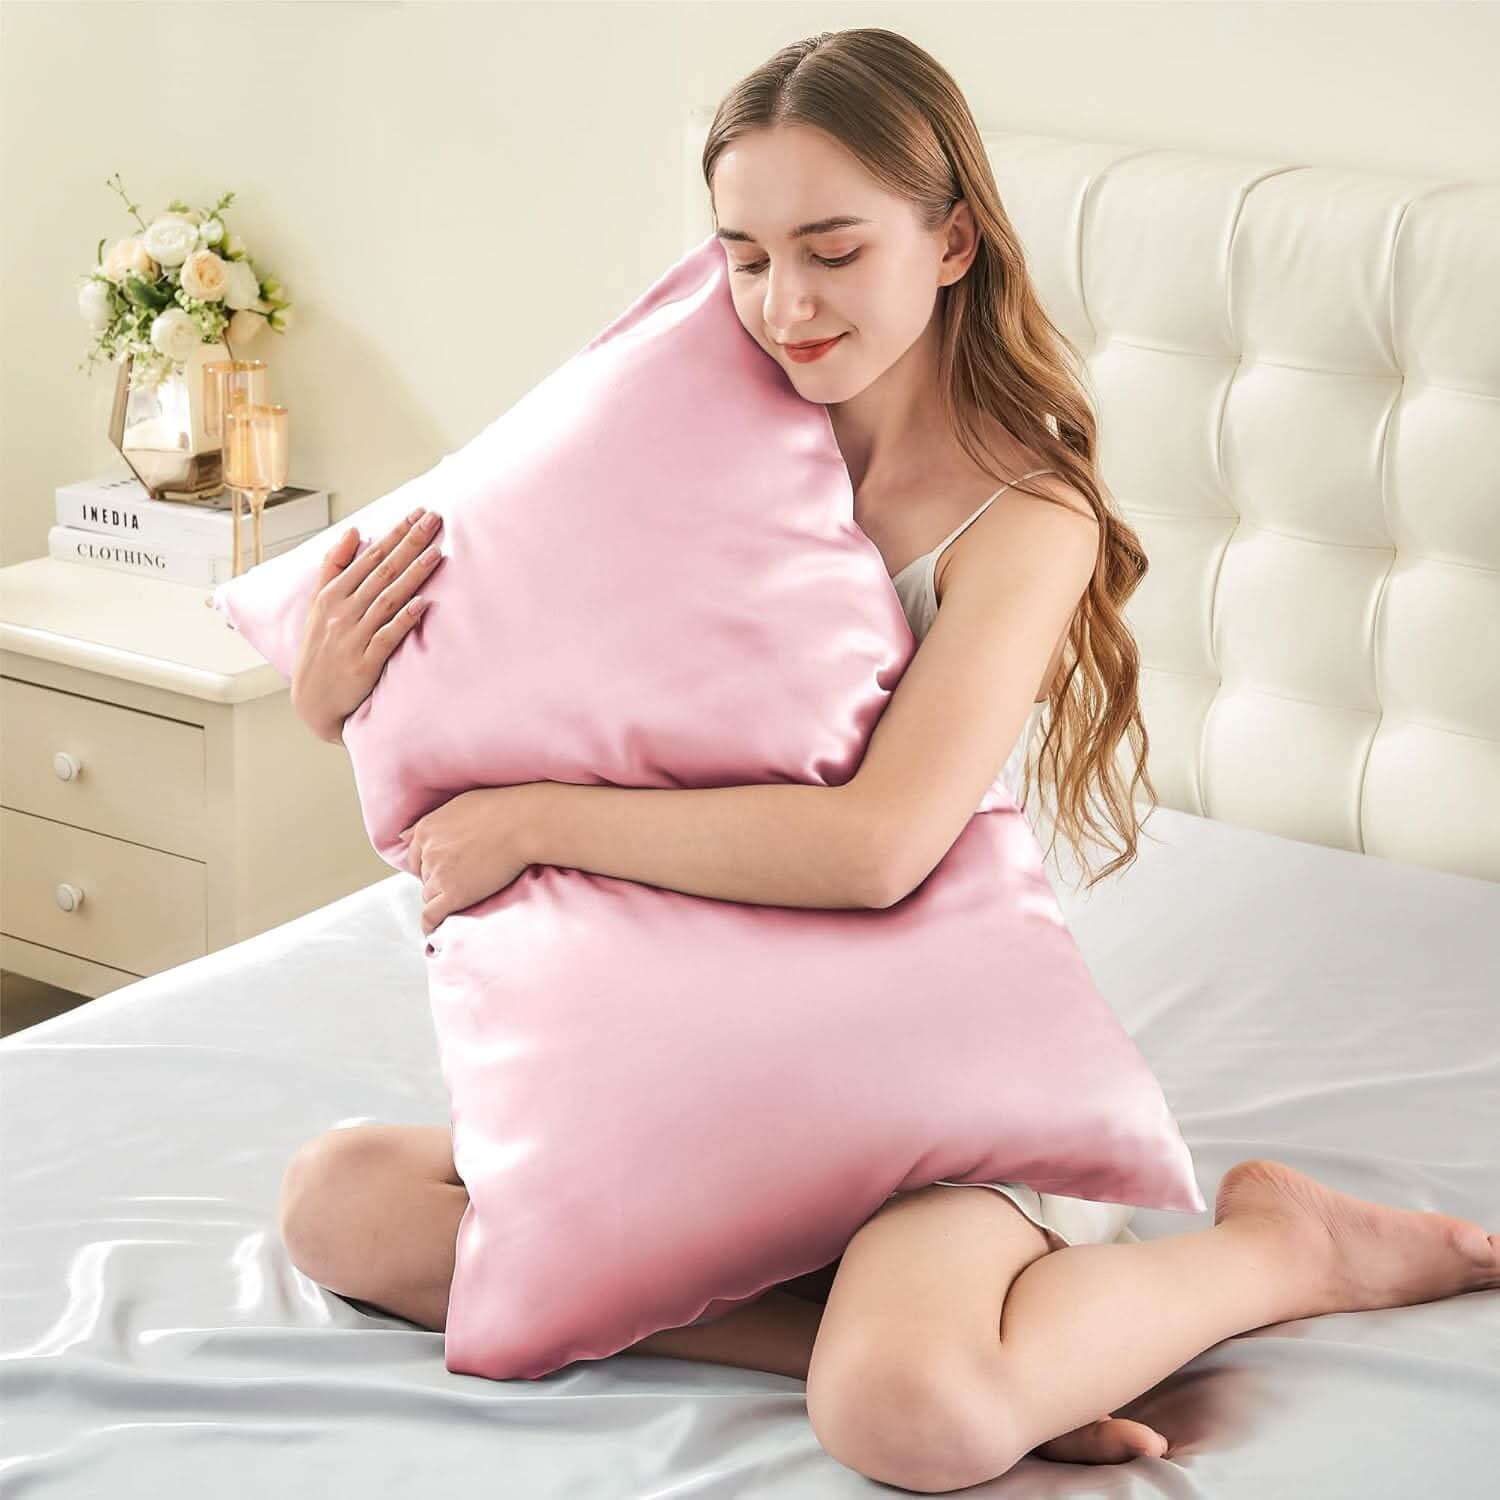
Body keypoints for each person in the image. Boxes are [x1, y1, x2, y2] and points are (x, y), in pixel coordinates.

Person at [276, 27, 1500, 1493]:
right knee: (341, 1204)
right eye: (741, 255)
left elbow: (878, 846)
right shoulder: (670, 439)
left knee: (905, 1421)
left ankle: (1276, 1251)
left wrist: (536, 822)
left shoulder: (1021, 514)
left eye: (834, 249)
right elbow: (524, 682)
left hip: (936, 1100)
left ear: (952, 240)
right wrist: (335, 688)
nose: (783, 304)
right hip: (701, 1064)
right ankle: (918, 1345)